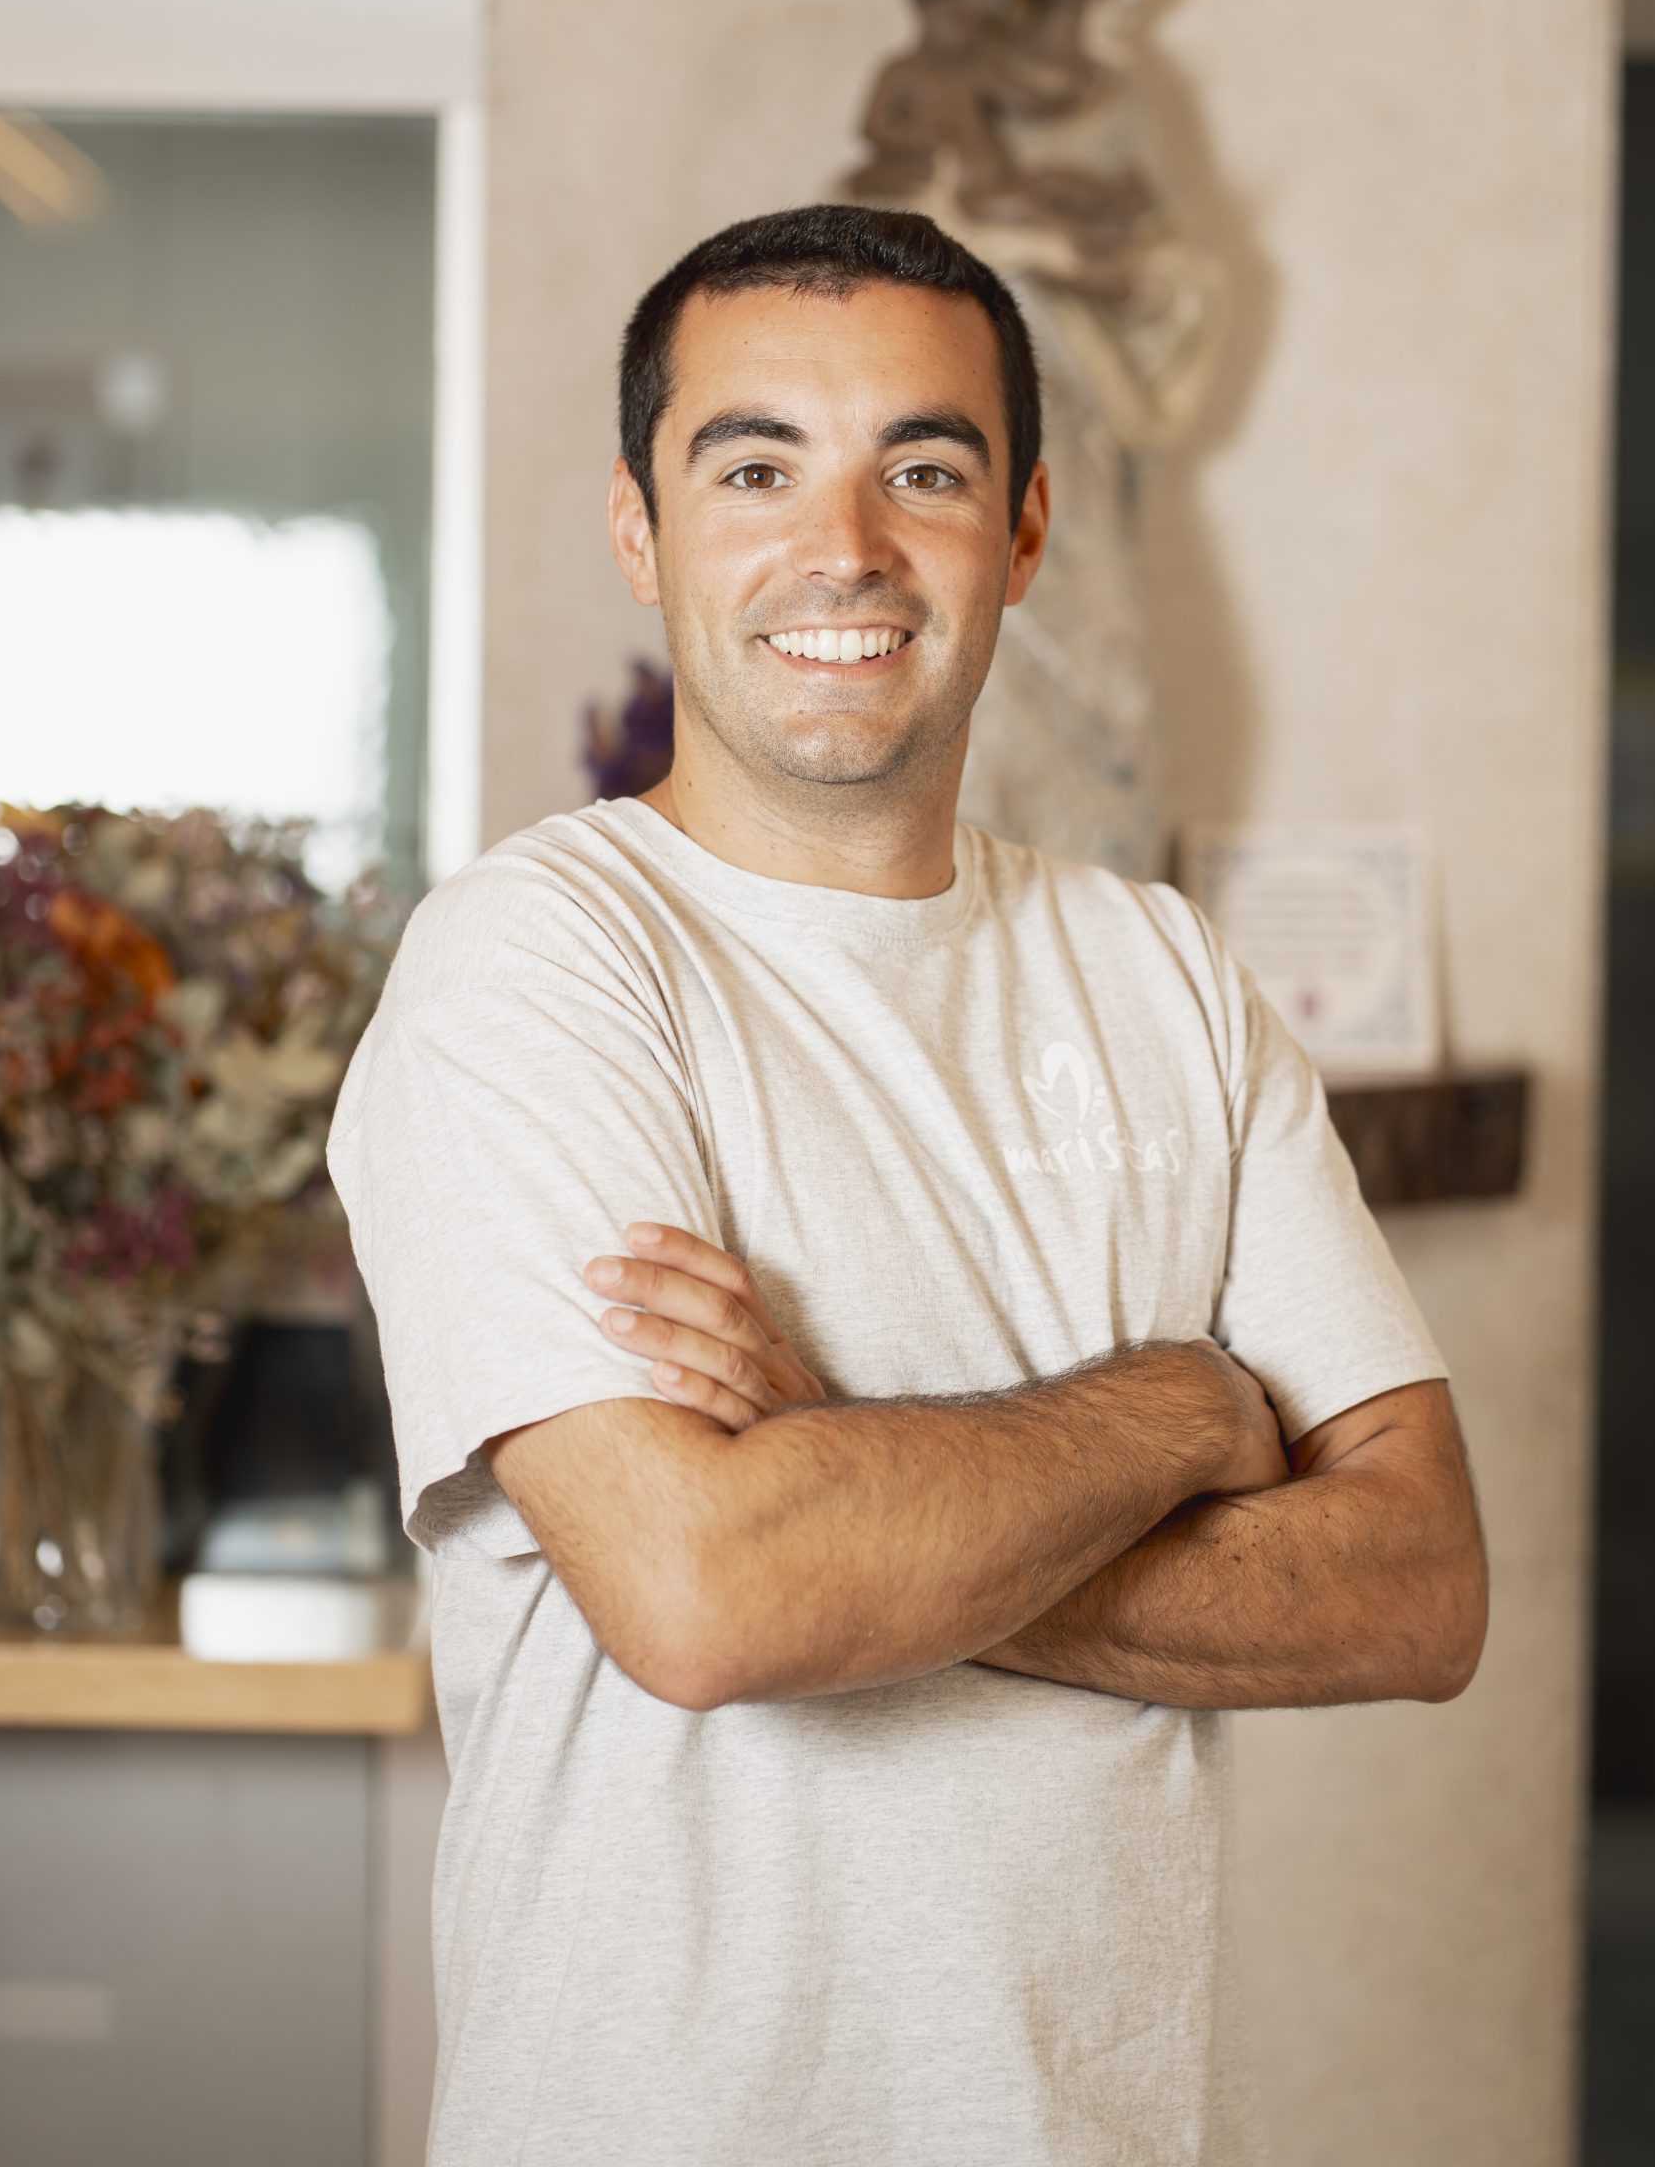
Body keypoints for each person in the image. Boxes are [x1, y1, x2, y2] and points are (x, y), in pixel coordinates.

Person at [327, 203, 1487, 2167]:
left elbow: (1417, 1588)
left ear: (1021, 533)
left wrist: (838, 1472)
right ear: (639, 529)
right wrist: (1176, 1409)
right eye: (754, 467)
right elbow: (707, 1595)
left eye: (923, 469)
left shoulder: (1161, 976)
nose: (844, 546)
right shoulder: (535, 964)